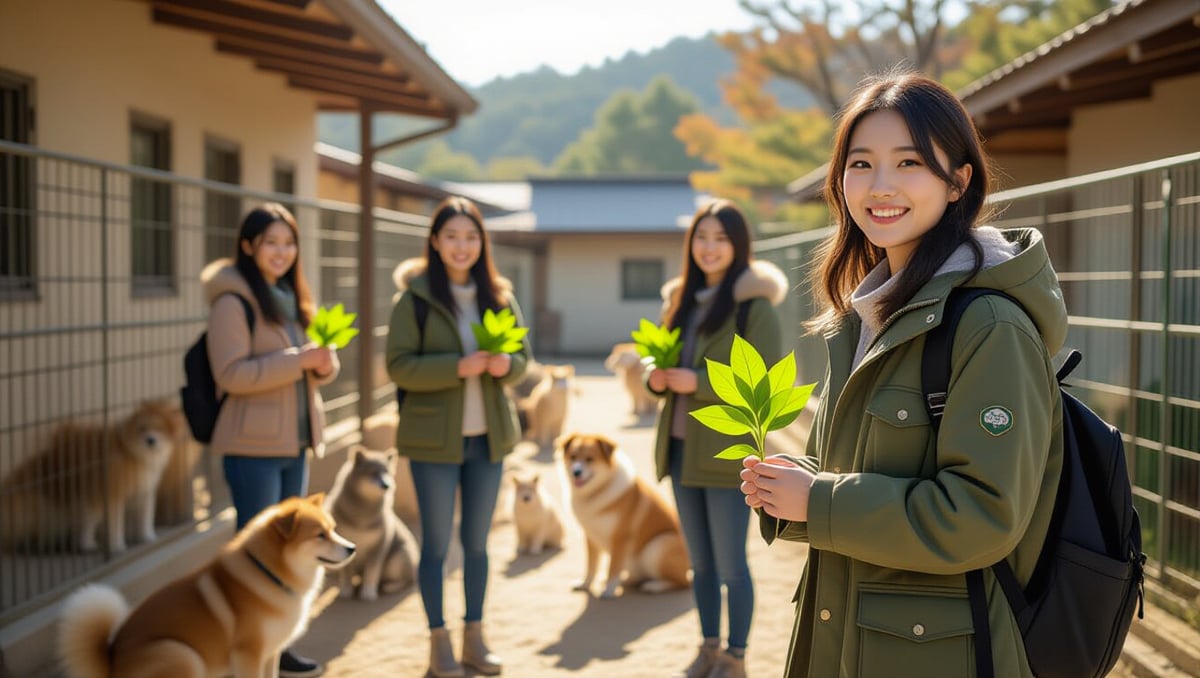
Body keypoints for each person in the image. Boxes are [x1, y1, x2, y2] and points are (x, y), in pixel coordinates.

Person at [738, 71, 1068, 678]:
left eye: (909, 162)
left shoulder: (989, 325)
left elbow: (982, 517)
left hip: (944, 653)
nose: (880, 186)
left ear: (957, 181)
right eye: (860, 164)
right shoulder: (862, 320)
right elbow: (856, 478)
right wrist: (793, 487)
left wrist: (818, 499)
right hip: (848, 639)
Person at [386, 196, 530, 678]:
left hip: (487, 440)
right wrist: (459, 367)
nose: (461, 246)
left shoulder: (500, 296)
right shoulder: (415, 299)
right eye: (451, 236)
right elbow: (399, 366)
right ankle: (438, 644)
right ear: (434, 242)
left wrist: (508, 366)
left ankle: (475, 637)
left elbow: (524, 359)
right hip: (432, 443)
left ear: (481, 242)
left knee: (477, 544)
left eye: (471, 236)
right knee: (435, 546)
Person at [647, 199, 787, 678]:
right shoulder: (680, 301)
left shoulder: (754, 306)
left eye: (720, 239)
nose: (709, 248)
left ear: (738, 245)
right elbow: (664, 365)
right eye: (701, 238)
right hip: (682, 450)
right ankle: (708, 647)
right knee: (700, 565)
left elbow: (765, 382)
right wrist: (657, 378)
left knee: (731, 566)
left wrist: (696, 384)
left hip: (727, 454)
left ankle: (736, 656)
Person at [201, 202, 340, 678]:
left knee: (287, 554)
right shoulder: (232, 301)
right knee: (257, 558)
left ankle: (276, 650)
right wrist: (299, 360)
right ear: (248, 246)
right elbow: (231, 374)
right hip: (252, 447)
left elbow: (305, 370)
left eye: (289, 243)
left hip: (293, 444)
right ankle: (247, 651)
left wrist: (322, 365)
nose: (282, 252)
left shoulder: (289, 297)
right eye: (271, 243)